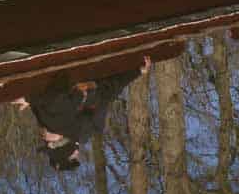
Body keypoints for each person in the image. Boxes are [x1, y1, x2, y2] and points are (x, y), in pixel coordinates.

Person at [14, 57, 150, 172]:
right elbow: (106, 95)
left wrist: (31, 101)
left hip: (80, 67)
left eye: (74, 156)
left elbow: (106, 95)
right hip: (90, 71)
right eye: (49, 143)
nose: (77, 153)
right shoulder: (65, 125)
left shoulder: (56, 123)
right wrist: (136, 72)